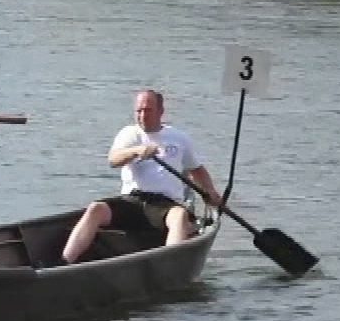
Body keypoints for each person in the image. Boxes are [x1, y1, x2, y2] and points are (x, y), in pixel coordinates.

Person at [60, 89, 221, 264]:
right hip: (132, 201)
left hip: (165, 205)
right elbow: (113, 160)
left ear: (160, 111)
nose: (142, 115)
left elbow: (197, 170)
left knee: (180, 215)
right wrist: (137, 151)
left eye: (148, 110)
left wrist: (210, 191)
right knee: (95, 209)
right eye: (139, 111)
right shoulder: (129, 134)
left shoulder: (179, 138)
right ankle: (64, 262)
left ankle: (168, 267)